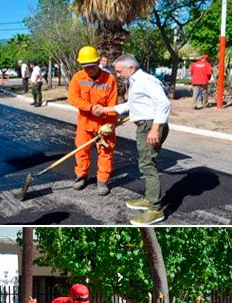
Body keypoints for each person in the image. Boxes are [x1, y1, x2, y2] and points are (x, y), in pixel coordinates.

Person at [108, 54, 171, 225]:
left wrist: (155, 129)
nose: (118, 75)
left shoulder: (146, 81)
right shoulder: (135, 81)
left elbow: (163, 103)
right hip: (145, 125)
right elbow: (132, 104)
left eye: (119, 71)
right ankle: (150, 198)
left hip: (150, 127)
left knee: (147, 165)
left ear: (130, 68)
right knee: (145, 162)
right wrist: (108, 109)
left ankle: (155, 209)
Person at [67, 46, 118, 196]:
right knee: (81, 151)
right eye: (85, 66)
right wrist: (90, 107)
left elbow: (112, 104)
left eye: (91, 66)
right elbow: (73, 98)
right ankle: (81, 176)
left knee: (106, 152)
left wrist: (110, 124)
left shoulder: (110, 79)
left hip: (104, 123)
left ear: (98, 62)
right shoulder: (78, 78)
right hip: (85, 123)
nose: (88, 69)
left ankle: (102, 180)